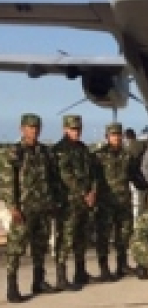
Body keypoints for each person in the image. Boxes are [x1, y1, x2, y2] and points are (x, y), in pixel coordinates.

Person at [0, 114, 58, 303]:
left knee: (40, 246)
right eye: (30, 127)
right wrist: (13, 206)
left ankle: (39, 281)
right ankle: (12, 286)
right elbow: (8, 182)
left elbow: (52, 179)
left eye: (36, 127)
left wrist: (53, 203)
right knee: (16, 247)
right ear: (22, 129)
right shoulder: (14, 152)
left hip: (42, 207)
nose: (34, 131)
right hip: (23, 209)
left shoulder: (45, 152)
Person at [92, 123, 141, 281]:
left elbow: (135, 176)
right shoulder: (98, 156)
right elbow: (93, 178)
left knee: (124, 234)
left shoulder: (127, 155)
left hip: (124, 201)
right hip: (105, 201)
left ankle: (122, 265)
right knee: (104, 235)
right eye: (113, 135)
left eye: (119, 135)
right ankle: (104, 268)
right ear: (107, 137)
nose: (116, 138)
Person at [53, 114, 96, 291]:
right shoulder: (59, 150)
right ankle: (61, 277)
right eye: (72, 129)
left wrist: (93, 191)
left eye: (78, 129)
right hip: (68, 202)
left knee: (81, 237)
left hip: (85, 202)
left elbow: (92, 171)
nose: (76, 132)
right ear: (65, 129)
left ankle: (80, 272)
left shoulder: (83, 149)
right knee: (65, 239)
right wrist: (84, 193)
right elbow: (66, 176)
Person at [124, 128, 148, 216]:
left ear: (126, 137)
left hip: (137, 179)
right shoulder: (143, 144)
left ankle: (140, 221)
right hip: (146, 177)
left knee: (139, 203)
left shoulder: (129, 148)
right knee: (146, 202)